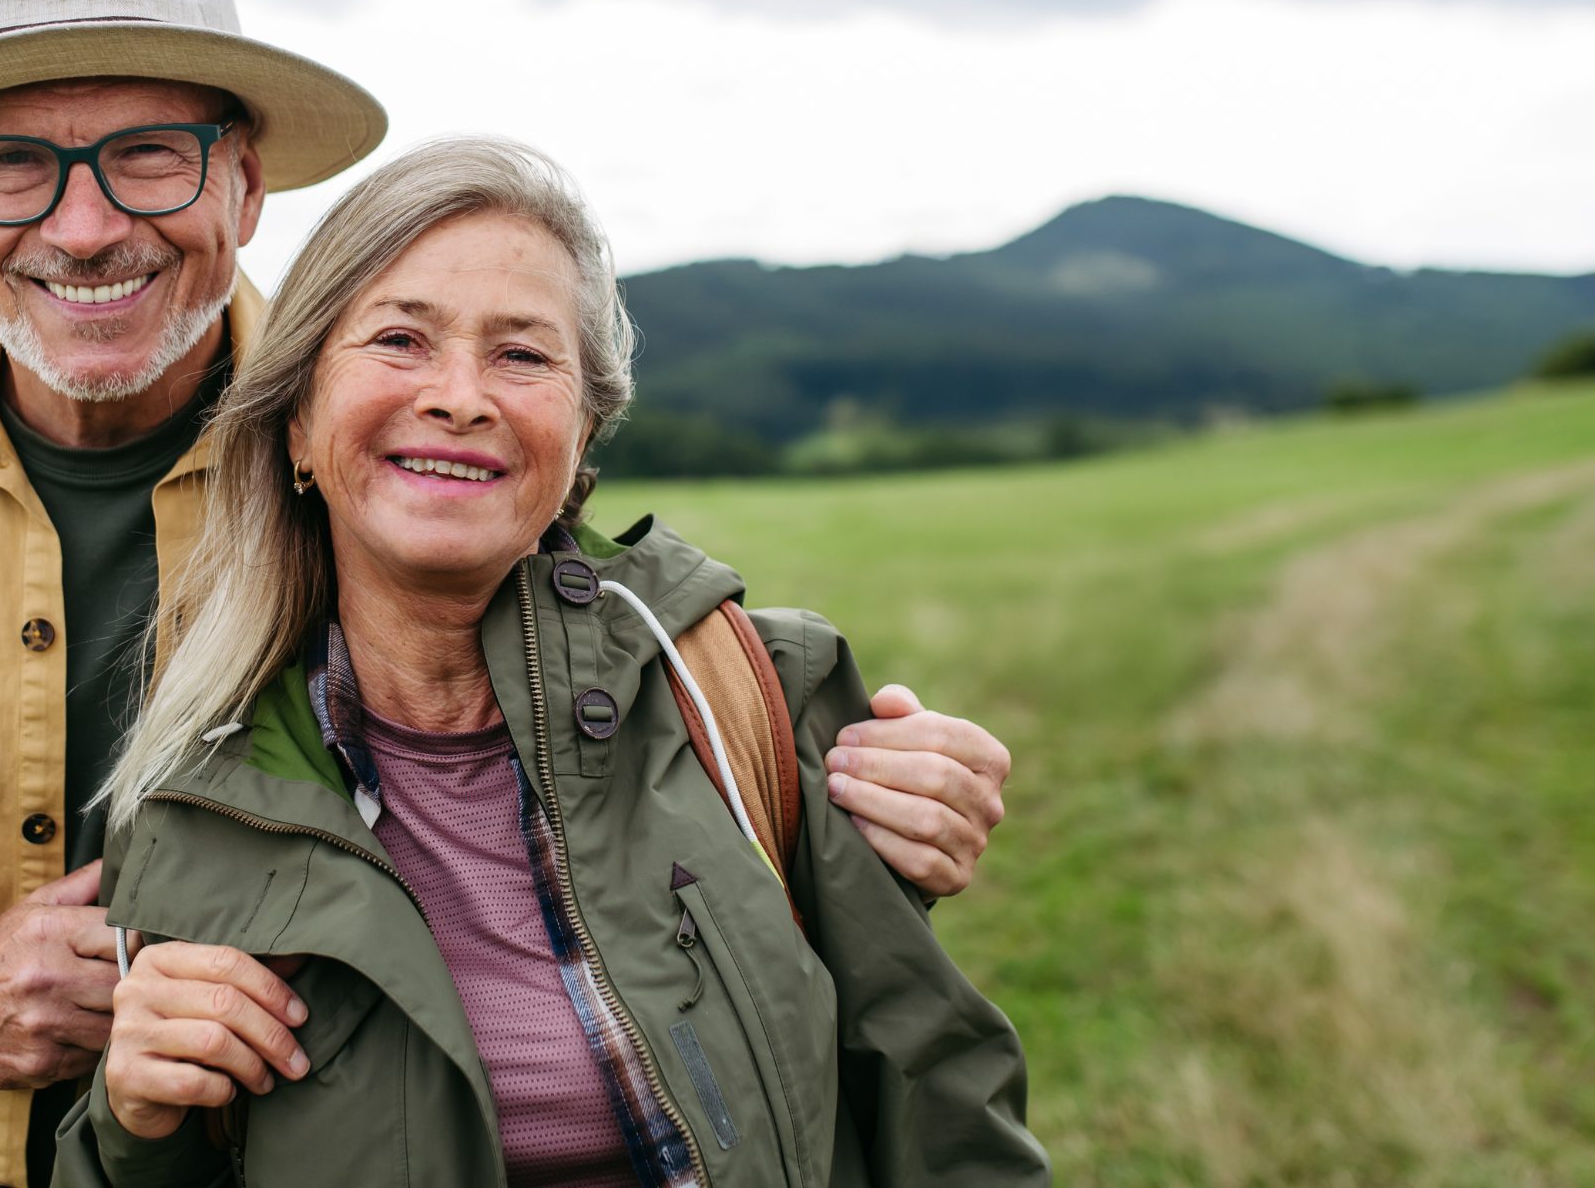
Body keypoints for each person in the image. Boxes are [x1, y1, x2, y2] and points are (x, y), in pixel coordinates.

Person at [0, 0, 1020, 1188]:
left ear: (244, 183)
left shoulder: (382, 456)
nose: (84, 224)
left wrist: (835, 801)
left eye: (149, 157)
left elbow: (598, 768)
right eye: (11, 168)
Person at [53, 137, 1047, 1187]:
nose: (460, 396)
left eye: (521, 355)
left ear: (581, 434)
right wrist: (133, 1120)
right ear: (297, 422)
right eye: (399, 339)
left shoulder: (753, 693)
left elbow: (940, 1104)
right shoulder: (191, 798)